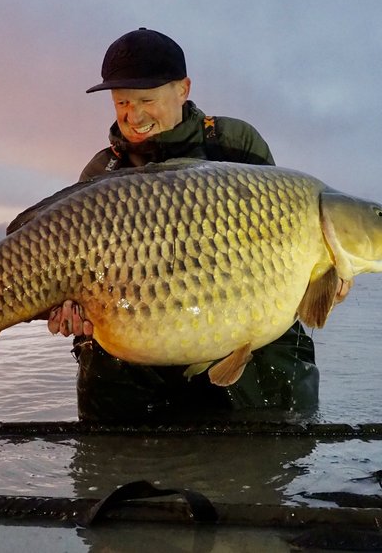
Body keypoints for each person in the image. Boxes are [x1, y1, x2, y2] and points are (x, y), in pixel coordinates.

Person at [34, 28, 322, 422]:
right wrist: (73, 314)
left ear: (183, 89)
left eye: (146, 100)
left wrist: (322, 274)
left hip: (241, 329)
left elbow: (287, 238)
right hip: (139, 335)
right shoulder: (103, 171)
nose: (133, 117)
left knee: (269, 449)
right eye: (121, 102)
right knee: (112, 433)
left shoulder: (235, 143)